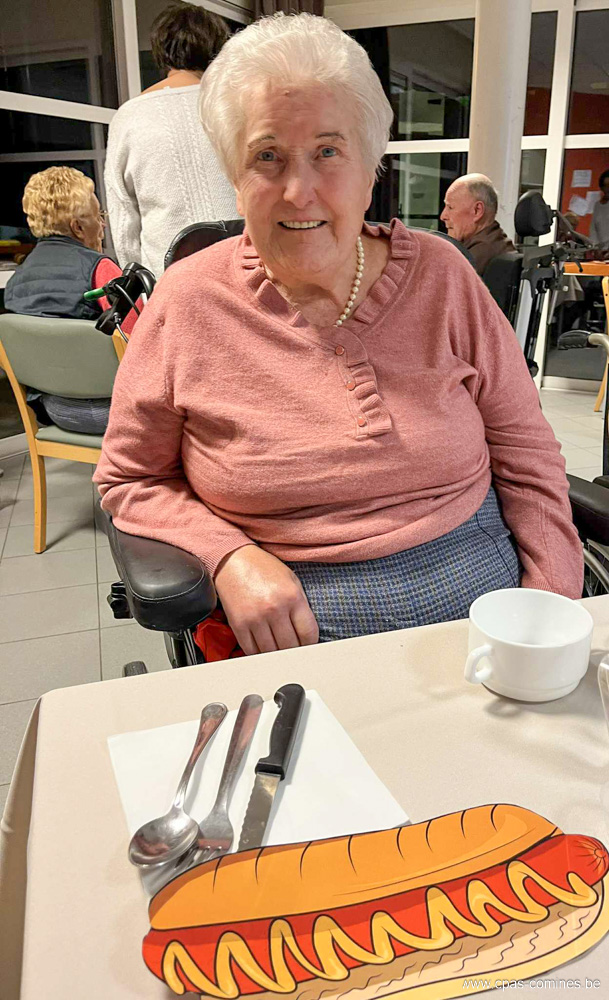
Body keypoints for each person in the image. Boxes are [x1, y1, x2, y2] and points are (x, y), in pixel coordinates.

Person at [94, 13, 583, 657]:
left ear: (371, 169)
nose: (300, 191)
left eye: (328, 151)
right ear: (235, 178)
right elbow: (129, 481)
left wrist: (549, 607)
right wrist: (228, 557)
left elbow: (527, 453)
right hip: (294, 638)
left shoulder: (443, 276)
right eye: (267, 156)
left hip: (489, 616)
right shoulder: (188, 302)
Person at [104, 2, 237, 279]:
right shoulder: (236, 104)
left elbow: (124, 219)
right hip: (245, 269)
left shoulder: (129, 116)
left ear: (161, 51)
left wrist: (139, 282)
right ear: (217, 49)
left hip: (168, 278)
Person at [3, 166, 135, 434]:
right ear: (78, 227)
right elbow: (139, 342)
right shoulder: (100, 269)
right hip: (114, 412)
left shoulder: (16, 281)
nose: (103, 225)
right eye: (99, 216)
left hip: (54, 411)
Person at [440, 173, 515, 276]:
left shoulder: (471, 260)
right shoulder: (497, 244)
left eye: (450, 207)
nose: (443, 216)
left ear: (477, 210)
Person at [590, 169, 609, 248]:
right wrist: (595, 247)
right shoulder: (597, 206)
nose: (607, 189)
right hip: (600, 250)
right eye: (605, 186)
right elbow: (593, 230)